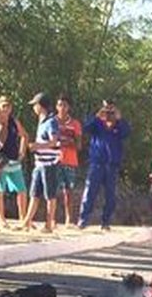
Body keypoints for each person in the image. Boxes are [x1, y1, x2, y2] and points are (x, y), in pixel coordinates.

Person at [78, 99, 130, 231]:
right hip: (96, 164)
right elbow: (85, 128)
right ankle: (83, 220)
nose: (109, 115)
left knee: (110, 196)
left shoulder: (119, 126)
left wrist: (119, 117)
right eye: (107, 111)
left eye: (111, 112)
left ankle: (105, 222)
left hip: (111, 166)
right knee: (89, 192)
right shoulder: (97, 125)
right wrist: (98, 115)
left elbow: (127, 132)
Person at [19, 92, 61, 233]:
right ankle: (26, 222)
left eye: (35, 105)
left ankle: (49, 224)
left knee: (50, 195)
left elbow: (54, 141)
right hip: (39, 163)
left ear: (40, 106)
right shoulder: (41, 121)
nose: (34, 108)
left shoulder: (51, 121)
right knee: (34, 193)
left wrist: (37, 146)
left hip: (49, 164)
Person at [0, 94, 29, 227]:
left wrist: (22, 153)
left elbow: (24, 135)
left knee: (22, 190)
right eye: (3, 106)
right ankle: (2, 220)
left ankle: (23, 218)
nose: (6, 109)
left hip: (14, 160)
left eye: (8, 106)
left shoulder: (14, 121)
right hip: (0, 161)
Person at [55, 94, 82, 228]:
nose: (62, 108)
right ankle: (51, 219)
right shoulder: (52, 122)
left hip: (70, 160)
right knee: (52, 190)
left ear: (69, 107)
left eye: (65, 105)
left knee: (68, 191)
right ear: (56, 106)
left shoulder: (75, 124)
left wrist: (68, 141)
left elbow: (79, 145)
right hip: (55, 160)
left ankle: (68, 219)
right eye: (60, 105)